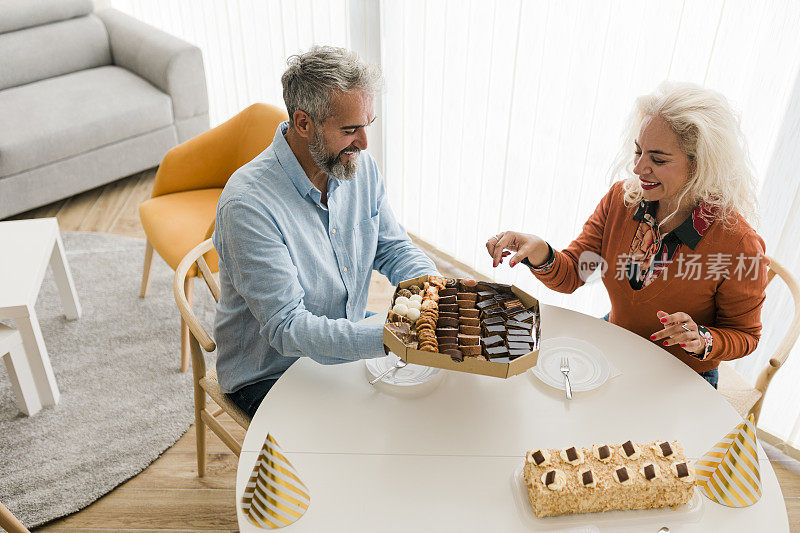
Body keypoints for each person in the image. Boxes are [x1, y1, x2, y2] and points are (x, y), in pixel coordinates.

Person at [485, 82, 768, 389]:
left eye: (658, 160)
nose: (638, 167)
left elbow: (746, 336)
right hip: (617, 343)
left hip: (682, 375)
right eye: (638, 151)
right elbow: (573, 275)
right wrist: (540, 251)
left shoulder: (739, 244)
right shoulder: (622, 200)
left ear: (700, 165)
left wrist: (701, 338)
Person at [213, 46, 437, 417]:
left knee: (427, 404)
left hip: (343, 336)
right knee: (369, 438)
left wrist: (432, 291)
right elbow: (288, 328)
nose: (364, 143)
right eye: (350, 130)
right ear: (303, 123)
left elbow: (393, 248)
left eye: (368, 125)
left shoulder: (358, 168)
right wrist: (393, 335)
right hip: (271, 375)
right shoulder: (248, 206)